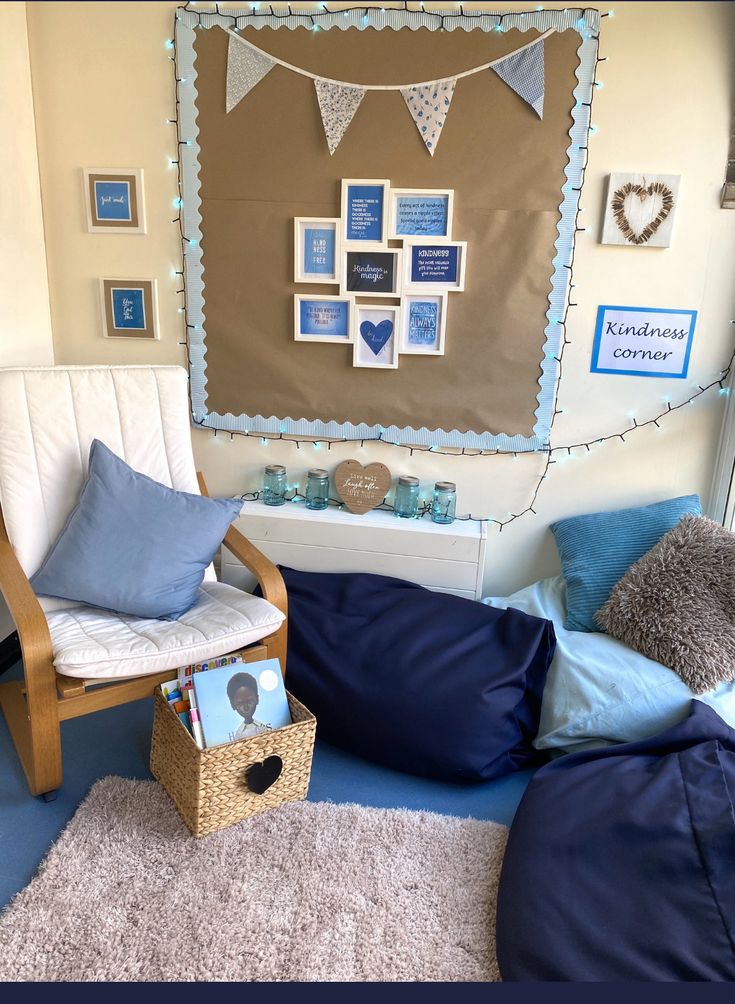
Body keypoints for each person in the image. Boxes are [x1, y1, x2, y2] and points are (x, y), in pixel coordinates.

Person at [226, 671, 272, 741]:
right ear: (233, 705)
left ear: (257, 699)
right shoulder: (239, 734)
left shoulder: (263, 726)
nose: (246, 708)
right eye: (240, 704)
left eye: (250, 701)